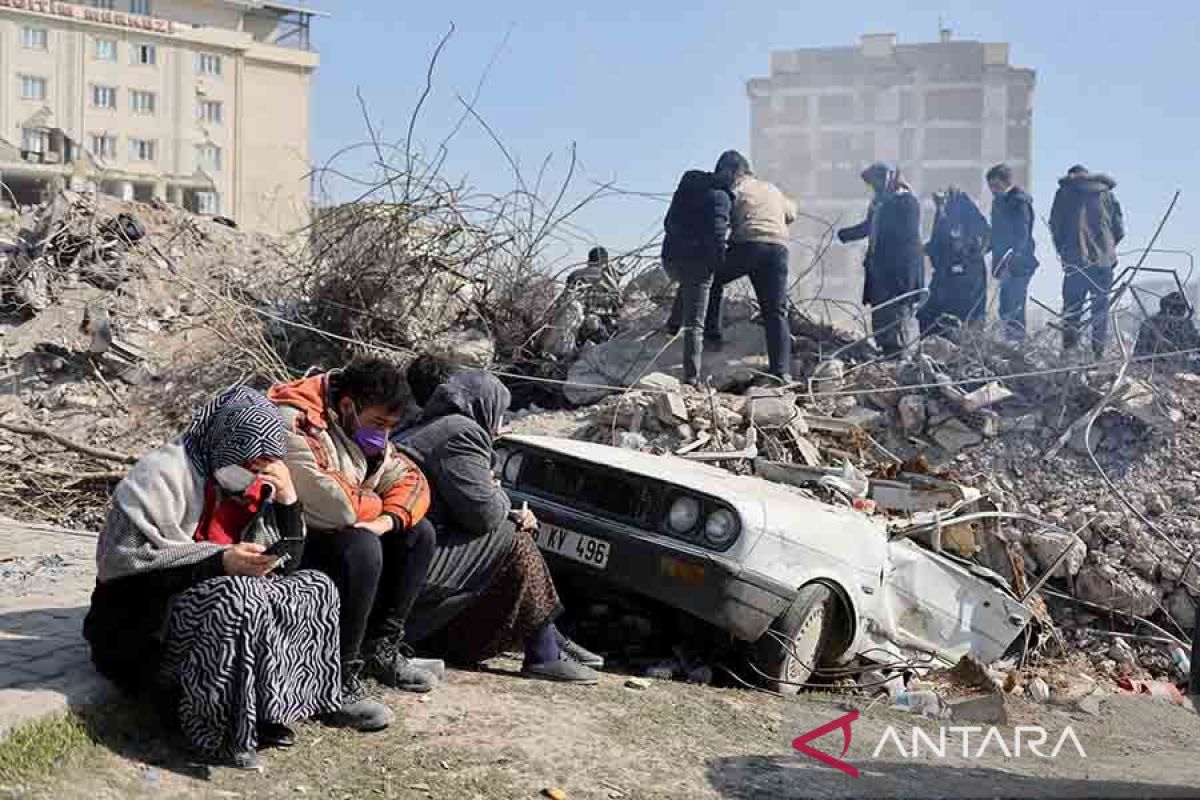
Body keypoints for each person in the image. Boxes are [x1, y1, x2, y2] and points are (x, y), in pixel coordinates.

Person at [82, 387, 382, 769]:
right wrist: (218, 562)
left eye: (265, 465)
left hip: (223, 606)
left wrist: (289, 501)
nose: (256, 473)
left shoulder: (257, 490)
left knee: (314, 588)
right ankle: (208, 726)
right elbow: (121, 568)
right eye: (252, 462)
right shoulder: (159, 477)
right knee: (237, 594)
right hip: (143, 628)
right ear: (226, 443)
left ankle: (265, 711)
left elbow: (285, 566)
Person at [394, 370, 603, 683]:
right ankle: (544, 652)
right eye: (500, 414)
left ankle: (551, 637)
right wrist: (505, 501)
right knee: (514, 535)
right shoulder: (460, 431)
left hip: (404, 553)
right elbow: (485, 514)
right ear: (485, 406)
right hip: (411, 562)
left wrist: (495, 497)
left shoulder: (424, 426)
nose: (500, 424)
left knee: (507, 530)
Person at [267, 358, 440, 696]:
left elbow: (412, 481)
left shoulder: (362, 427)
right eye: (379, 423)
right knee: (362, 545)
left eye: (391, 426)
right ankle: (337, 675)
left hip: (337, 525)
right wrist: (374, 504)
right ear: (347, 405)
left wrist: (385, 520)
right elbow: (334, 506)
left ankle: (380, 648)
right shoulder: (297, 419)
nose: (384, 434)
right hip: (287, 538)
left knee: (418, 534)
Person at [701, 150, 797, 383]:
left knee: (711, 279)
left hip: (748, 245)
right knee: (776, 312)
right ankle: (781, 371)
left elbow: (721, 219)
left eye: (723, 173)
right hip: (778, 248)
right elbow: (791, 213)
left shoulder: (735, 189)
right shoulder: (773, 189)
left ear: (734, 171)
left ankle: (712, 335)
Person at [661, 158, 735, 385]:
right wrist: (718, 264)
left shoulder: (689, 183)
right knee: (695, 324)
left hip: (670, 258)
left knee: (688, 282)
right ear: (731, 173)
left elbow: (667, 222)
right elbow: (718, 235)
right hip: (697, 261)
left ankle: (672, 325)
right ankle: (692, 378)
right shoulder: (721, 197)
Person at [837, 163, 924, 357]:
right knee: (880, 315)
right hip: (880, 273)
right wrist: (846, 234)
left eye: (876, 181)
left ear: (888, 178)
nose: (873, 187)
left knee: (897, 316)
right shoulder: (880, 204)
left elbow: (904, 236)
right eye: (870, 184)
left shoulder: (906, 201)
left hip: (899, 274)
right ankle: (886, 352)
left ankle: (900, 356)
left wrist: (885, 202)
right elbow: (869, 227)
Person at [1050, 165, 1125, 357]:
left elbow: (1055, 225)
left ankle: (1069, 354)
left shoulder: (1065, 193)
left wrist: (1064, 251)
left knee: (1072, 309)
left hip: (1076, 261)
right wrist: (1105, 250)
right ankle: (1098, 355)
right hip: (1104, 264)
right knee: (1100, 310)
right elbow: (1119, 230)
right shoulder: (1106, 194)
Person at [920, 187, 989, 338]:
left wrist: (969, 255)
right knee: (927, 316)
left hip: (965, 281)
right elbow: (938, 243)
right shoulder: (943, 216)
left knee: (965, 319)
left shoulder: (967, 216)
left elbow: (985, 238)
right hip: (945, 278)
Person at [986, 164, 1039, 341]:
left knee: (1015, 306)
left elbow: (1022, 235)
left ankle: (1017, 343)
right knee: (1005, 307)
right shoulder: (998, 202)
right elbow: (996, 233)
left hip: (1018, 264)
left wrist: (1012, 260)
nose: (993, 190)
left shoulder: (1019, 201)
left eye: (995, 185)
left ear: (1005, 182)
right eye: (990, 187)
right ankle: (1010, 342)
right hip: (1003, 263)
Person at [1134, 291, 1200, 360]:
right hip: (1153, 365)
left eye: (1182, 308)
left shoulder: (1186, 324)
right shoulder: (1149, 323)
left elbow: (1195, 342)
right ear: (1166, 308)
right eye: (1176, 308)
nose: (1180, 312)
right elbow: (1139, 353)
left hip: (1182, 365)